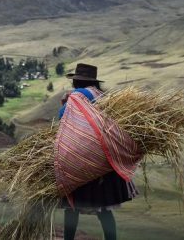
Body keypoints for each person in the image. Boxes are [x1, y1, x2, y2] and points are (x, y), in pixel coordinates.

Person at [58, 63, 138, 240]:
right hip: (105, 159)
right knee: (104, 209)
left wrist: (66, 104)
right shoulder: (103, 96)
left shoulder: (79, 95)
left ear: (76, 81)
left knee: (72, 207)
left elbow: (62, 116)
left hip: (82, 158)